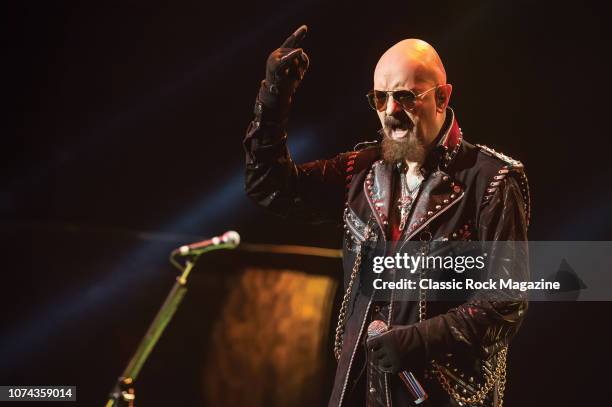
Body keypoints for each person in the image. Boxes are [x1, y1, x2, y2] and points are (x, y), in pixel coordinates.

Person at [244, 25, 530, 407]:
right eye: (380, 99)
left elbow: (506, 301)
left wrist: (418, 340)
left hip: (445, 396)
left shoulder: (491, 180)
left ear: (442, 97)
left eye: (406, 97)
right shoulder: (360, 172)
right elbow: (270, 188)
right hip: (362, 391)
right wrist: (274, 97)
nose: (391, 111)